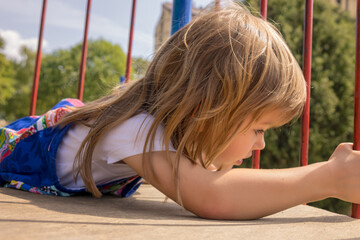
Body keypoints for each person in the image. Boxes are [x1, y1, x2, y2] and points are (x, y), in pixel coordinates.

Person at [1, 3, 360, 220]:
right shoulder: (135, 127)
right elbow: (211, 196)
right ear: (209, 108)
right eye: (258, 129)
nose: (260, 145)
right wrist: (325, 178)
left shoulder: (154, 126)